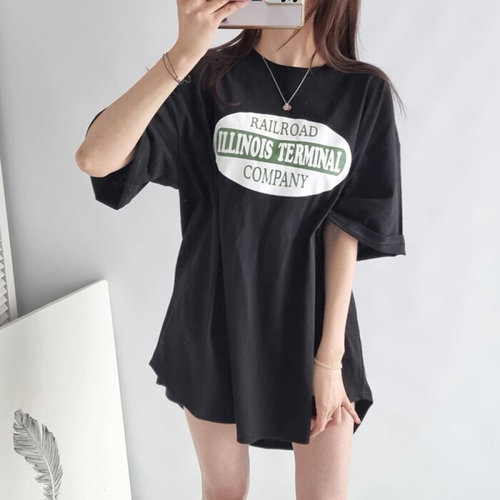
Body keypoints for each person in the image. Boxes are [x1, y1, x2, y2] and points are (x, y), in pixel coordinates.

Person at [76, 0, 406, 498]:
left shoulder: (363, 93)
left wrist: (329, 359)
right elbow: (95, 158)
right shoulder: (208, 78)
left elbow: (346, 230)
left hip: (314, 327)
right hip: (215, 324)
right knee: (224, 491)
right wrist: (182, 55)